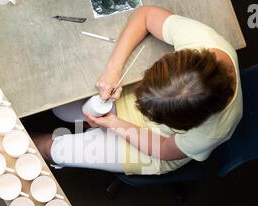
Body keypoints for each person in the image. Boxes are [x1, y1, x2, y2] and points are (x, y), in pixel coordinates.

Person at [33, 5, 243, 175]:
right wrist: (113, 71)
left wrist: (116, 124)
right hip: (164, 114)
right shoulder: (201, 42)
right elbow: (145, 16)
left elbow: (164, 149)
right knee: (62, 110)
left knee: (57, 150)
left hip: (157, 145)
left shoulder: (211, 132)